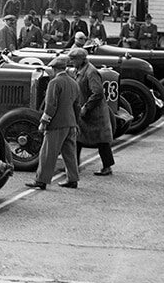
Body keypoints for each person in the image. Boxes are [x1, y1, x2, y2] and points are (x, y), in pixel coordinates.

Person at [24, 56, 80, 190]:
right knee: (70, 153)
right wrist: (76, 123)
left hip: (57, 124)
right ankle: (72, 179)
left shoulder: (55, 83)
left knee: (47, 153)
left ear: (54, 69)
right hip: (71, 123)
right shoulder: (74, 83)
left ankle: (41, 180)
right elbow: (77, 106)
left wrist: (44, 122)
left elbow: (51, 105)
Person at [69, 47, 114, 176]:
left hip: (95, 113)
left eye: (73, 59)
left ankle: (107, 167)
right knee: (78, 138)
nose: (71, 62)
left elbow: (98, 92)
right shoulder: (79, 70)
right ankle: (74, 165)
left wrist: (86, 107)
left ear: (81, 59)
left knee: (102, 140)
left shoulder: (91, 72)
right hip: (86, 111)